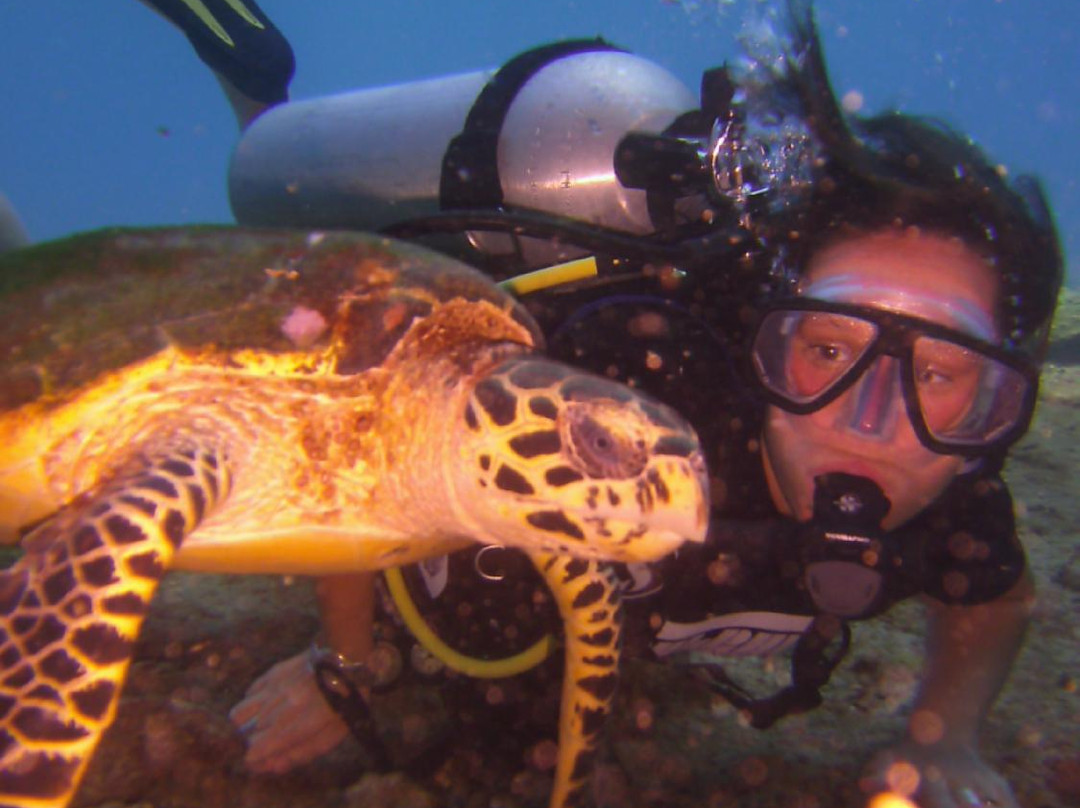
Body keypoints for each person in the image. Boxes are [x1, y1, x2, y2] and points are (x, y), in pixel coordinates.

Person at [146, 2, 1063, 806]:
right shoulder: (628, 391)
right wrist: (347, 662)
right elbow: (360, 438)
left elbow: (996, 600)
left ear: (994, 405)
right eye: (826, 351)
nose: (872, 420)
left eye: (940, 374)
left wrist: (945, 732)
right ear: (765, 337)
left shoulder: (955, 492)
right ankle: (254, 87)